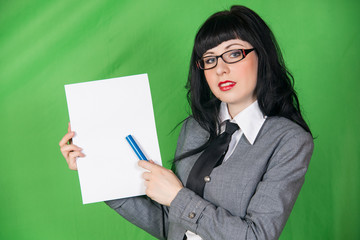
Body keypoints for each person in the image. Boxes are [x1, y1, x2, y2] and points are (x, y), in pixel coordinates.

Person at [59, 5, 313, 240]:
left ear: (263, 56)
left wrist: (178, 197)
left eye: (234, 53)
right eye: (210, 59)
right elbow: (168, 225)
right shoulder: (195, 128)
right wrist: (98, 172)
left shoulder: (289, 141)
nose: (220, 69)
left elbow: (257, 236)